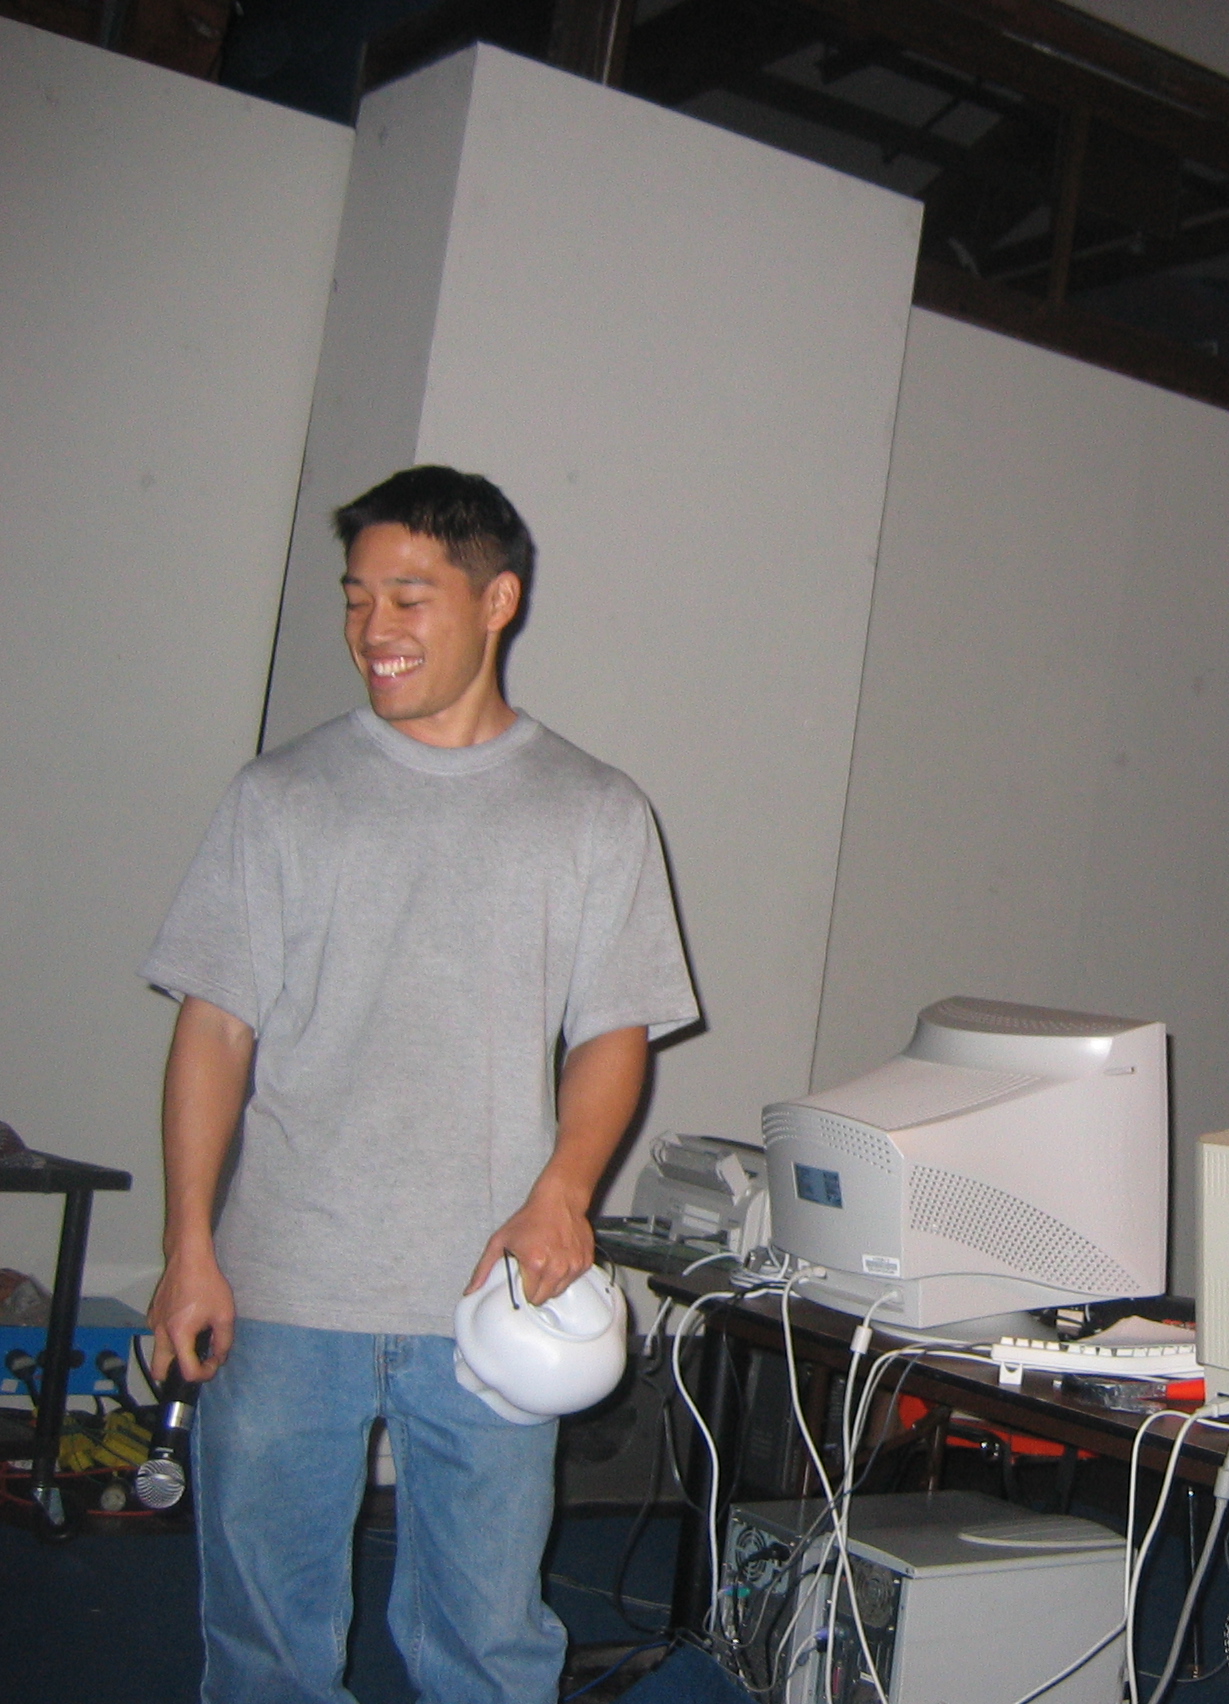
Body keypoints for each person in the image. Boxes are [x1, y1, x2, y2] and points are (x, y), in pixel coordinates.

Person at [141, 466, 700, 1702]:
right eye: (356, 598)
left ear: (497, 601)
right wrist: (188, 1245)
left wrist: (563, 1192)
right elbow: (214, 1030)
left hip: (493, 1290)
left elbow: (614, 1033)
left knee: (485, 1647)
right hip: (285, 1283)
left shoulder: (594, 811)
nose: (372, 630)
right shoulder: (280, 797)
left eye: (408, 597)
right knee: (264, 1647)